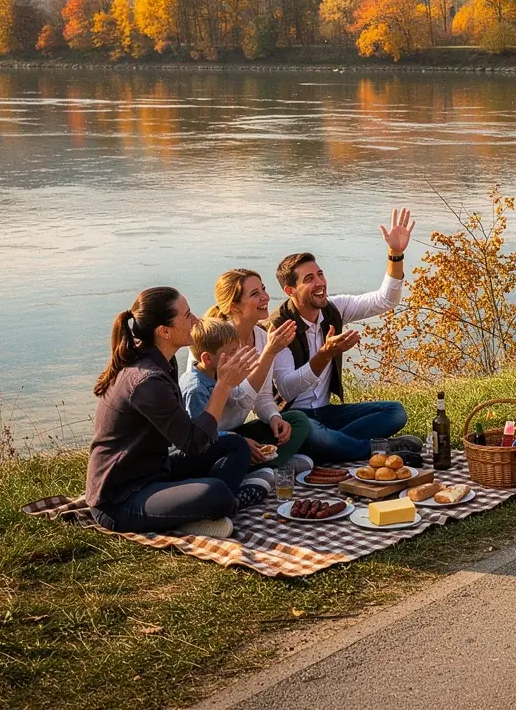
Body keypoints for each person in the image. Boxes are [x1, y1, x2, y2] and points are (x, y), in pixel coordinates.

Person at [86, 287, 271, 537]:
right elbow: (194, 444)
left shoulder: (163, 361)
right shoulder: (146, 380)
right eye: (186, 316)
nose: (195, 320)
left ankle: (197, 507)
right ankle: (216, 506)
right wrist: (223, 386)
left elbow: (189, 437)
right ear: (164, 331)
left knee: (235, 444)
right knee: (214, 491)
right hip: (121, 500)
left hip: (156, 469)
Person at [269, 207, 421, 464]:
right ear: (290, 290)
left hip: (328, 413)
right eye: (309, 279)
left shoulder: (333, 309)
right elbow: (287, 387)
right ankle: (376, 449)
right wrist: (324, 354)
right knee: (311, 430)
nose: (320, 282)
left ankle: (331, 446)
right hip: (296, 418)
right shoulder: (278, 326)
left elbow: (385, 300)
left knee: (395, 412)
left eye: (320, 274)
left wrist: (395, 254)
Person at [181, 269, 312, 470]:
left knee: (298, 421)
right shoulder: (212, 340)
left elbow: (263, 397)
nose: (265, 297)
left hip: (238, 431)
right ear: (234, 307)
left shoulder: (260, 337)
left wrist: (274, 417)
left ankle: (267, 463)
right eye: (255, 294)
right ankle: (266, 467)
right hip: (214, 438)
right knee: (319, 437)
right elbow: (238, 400)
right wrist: (268, 354)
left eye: (263, 290)